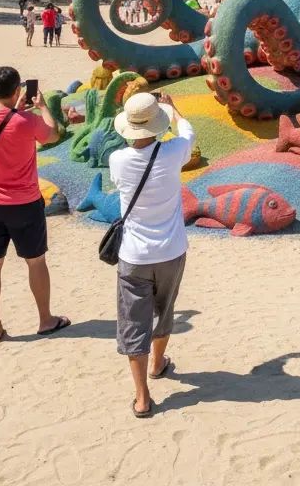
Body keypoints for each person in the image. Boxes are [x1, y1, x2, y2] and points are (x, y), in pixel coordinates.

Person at [109, 92, 195, 418]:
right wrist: (173, 109)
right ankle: (159, 363)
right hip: (171, 250)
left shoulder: (118, 160)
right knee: (164, 309)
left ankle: (142, 397)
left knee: (134, 321)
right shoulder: (173, 152)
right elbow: (187, 131)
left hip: (134, 255)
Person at [0, 66, 70, 343]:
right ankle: (46, 319)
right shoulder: (28, 121)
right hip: (25, 202)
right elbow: (53, 134)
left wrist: (15, 111)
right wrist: (43, 107)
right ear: (18, 91)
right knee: (36, 261)